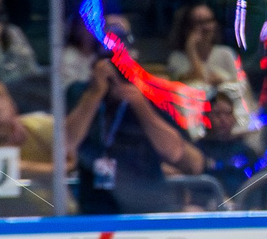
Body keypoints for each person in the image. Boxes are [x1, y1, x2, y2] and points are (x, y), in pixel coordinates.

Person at [63, 55, 207, 215]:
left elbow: (174, 152)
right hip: (96, 207)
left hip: (149, 204)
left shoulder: (150, 94)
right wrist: (94, 95)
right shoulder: (81, 92)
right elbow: (64, 145)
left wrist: (141, 106)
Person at [0, 79, 57, 210]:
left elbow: (71, 167)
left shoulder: (44, 127)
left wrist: (20, 168)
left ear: (12, 107)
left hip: (58, 215)